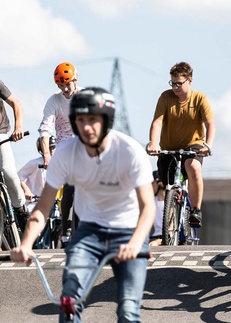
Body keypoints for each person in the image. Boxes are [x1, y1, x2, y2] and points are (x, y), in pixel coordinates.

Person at [10, 87, 155, 322]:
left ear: (106, 121)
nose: (86, 127)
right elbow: (43, 207)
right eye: (80, 120)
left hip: (129, 233)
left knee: (128, 311)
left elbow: (148, 207)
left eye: (93, 119)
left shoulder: (129, 151)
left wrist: (136, 242)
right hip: (89, 232)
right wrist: (26, 244)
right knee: (70, 302)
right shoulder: (66, 153)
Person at [147, 61, 216, 229]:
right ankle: (173, 209)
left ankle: (195, 210)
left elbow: (210, 124)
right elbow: (157, 123)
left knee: (192, 167)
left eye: (179, 83)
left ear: (189, 81)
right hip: (169, 147)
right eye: (173, 83)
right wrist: (152, 143)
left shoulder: (200, 99)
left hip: (193, 145)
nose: (175, 87)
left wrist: (208, 145)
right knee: (166, 179)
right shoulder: (166, 97)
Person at [38, 62, 82, 245]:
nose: (65, 88)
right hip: (64, 147)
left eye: (67, 84)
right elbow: (45, 129)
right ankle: (66, 231)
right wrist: (47, 155)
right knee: (71, 188)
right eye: (60, 85)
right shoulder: (54, 101)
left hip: (84, 145)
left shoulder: (85, 96)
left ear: (75, 80)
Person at [0, 79, 30, 231]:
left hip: (0, 133)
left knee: (8, 171)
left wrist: (18, 127)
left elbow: (16, 104)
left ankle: (19, 210)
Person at [18, 136, 56, 211]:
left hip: (54, 203)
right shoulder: (34, 163)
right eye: (49, 148)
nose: (52, 151)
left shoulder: (60, 164)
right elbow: (17, 177)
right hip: (34, 202)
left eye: (53, 148)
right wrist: (26, 190)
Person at [149, 170, 165, 247]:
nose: (150, 185)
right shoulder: (151, 200)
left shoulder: (171, 202)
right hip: (154, 236)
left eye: (152, 183)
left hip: (166, 236)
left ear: (159, 182)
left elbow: (171, 230)